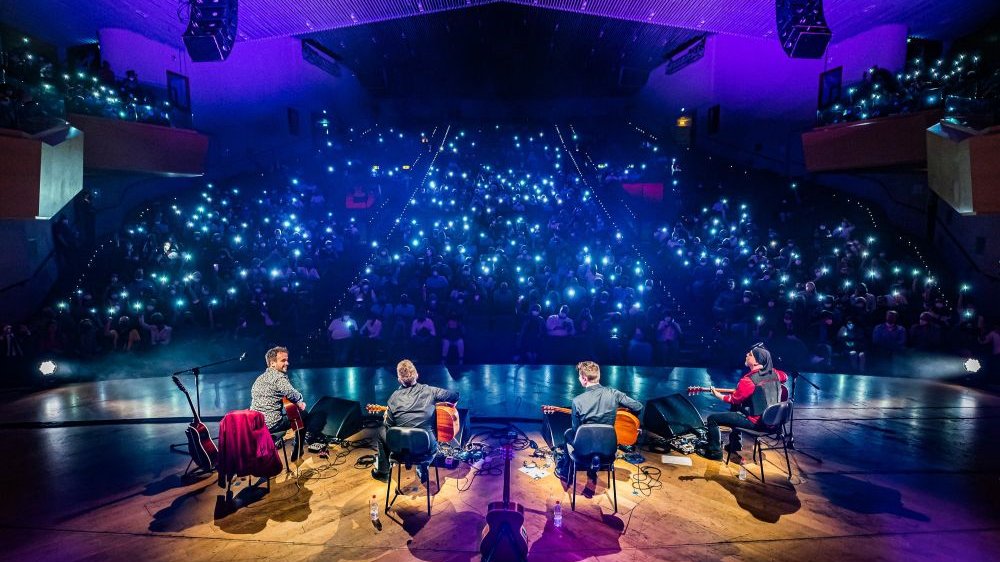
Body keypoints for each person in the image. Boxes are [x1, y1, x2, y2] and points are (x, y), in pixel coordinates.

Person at [372, 359, 459, 482]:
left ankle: (383, 472)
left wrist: (388, 416)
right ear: (416, 374)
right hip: (427, 448)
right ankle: (422, 465)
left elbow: (389, 427)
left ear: (399, 379)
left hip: (401, 450)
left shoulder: (393, 398)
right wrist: (448, 407)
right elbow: (455, 396)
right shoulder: (431, 391)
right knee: (424, 434)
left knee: (382, 430)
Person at [557, 361, 642, 480]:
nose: (578, 378)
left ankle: (566, 472)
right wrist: (626, 419)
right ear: (598, 376)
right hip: (608, 448)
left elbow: (576, 431)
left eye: (579, 376)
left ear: (584, 378)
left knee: (568, 433)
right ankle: (593, 470)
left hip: (584, 449)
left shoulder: (577, 401)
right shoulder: (614, 393)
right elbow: (638, 407)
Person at [702, 343, 787, 462]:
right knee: (737, 408)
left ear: (756, 362)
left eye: (750, 354)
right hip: (774, 424)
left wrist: (718, 395)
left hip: (757, 424)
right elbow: (785, 376)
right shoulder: (777, 374)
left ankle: (714, 452)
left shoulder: (748, 380)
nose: (747, 355)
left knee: (712, 419)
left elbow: (733, 399)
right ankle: (735, 444)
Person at [249, 346, 307, 434]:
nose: (287, 363)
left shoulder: (260, 378)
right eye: (283, 360)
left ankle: (275, 441)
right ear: (272, 363)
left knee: (289, 406)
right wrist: (300, 401)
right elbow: (291, 394)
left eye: (287, 360)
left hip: (255, 424)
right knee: (302, 414)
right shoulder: (278, 377)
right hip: (271, 425)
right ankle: (298, 445)